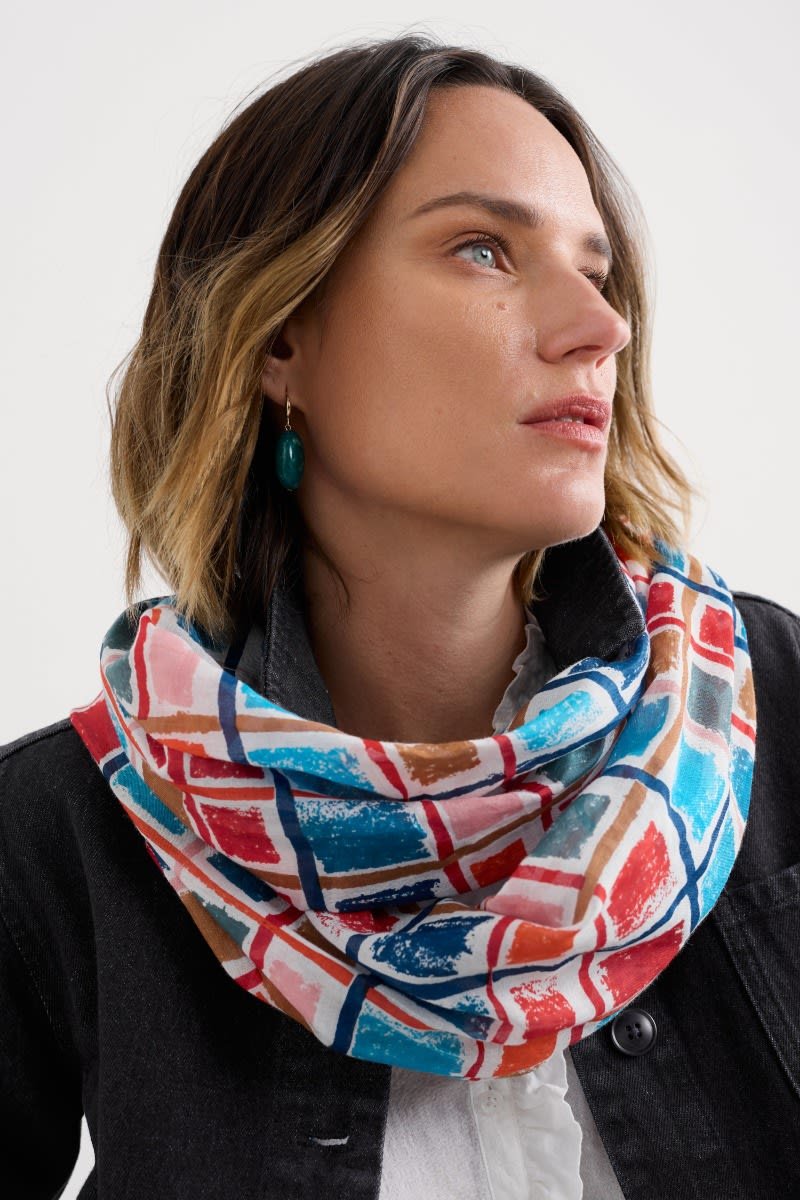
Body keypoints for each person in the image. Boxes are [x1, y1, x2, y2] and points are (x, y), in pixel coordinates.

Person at [1, 32, 798, 1200]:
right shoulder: (66, 834)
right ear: (279, 336)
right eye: (484, 250)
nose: (600, 328)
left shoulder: (772, 711)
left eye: (597, 272)